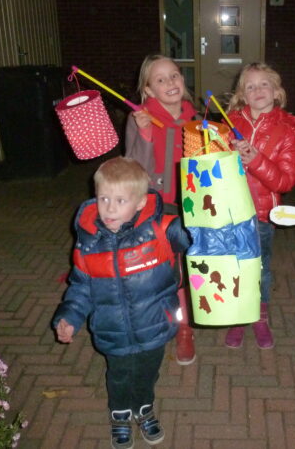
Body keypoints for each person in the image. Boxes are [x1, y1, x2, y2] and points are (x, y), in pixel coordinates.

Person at [52, 157, 190, 448]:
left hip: (154, 326)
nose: (110, 208)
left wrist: (204, 218)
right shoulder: (88, 244)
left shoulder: (162, 229)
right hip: (112, 331)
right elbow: (81, 287)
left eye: (120, 200)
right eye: (103, 198)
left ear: (140, 203)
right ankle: (120, 414)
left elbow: (196, 235)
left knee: (147, 374)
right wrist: (69, 317)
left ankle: (144, 408)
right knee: (118, 377)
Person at [224, 62, 295, 349]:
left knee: (260, 269)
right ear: (242, 95)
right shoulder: (230, 123)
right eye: (250, 86)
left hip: (262, 215)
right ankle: (240, 315)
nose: (258, 90)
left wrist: (256, 160)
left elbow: (286, 182)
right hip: (230, 212)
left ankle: (259, 316)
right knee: (235, 265)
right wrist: (225, 151)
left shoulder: (286, 131)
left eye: (264, 84)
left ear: (276, 92)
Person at [124, 54, 199, 365]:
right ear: (148, 90)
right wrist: (144, 134)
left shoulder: (195, 118)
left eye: (174, 75)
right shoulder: (140, 118)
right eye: (160, 79)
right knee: (162, 269)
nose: (170, 82)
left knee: (186, 268)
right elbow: (133, 171)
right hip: (157, 208)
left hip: (192, 205)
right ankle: (163, 323)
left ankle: (185, 326)